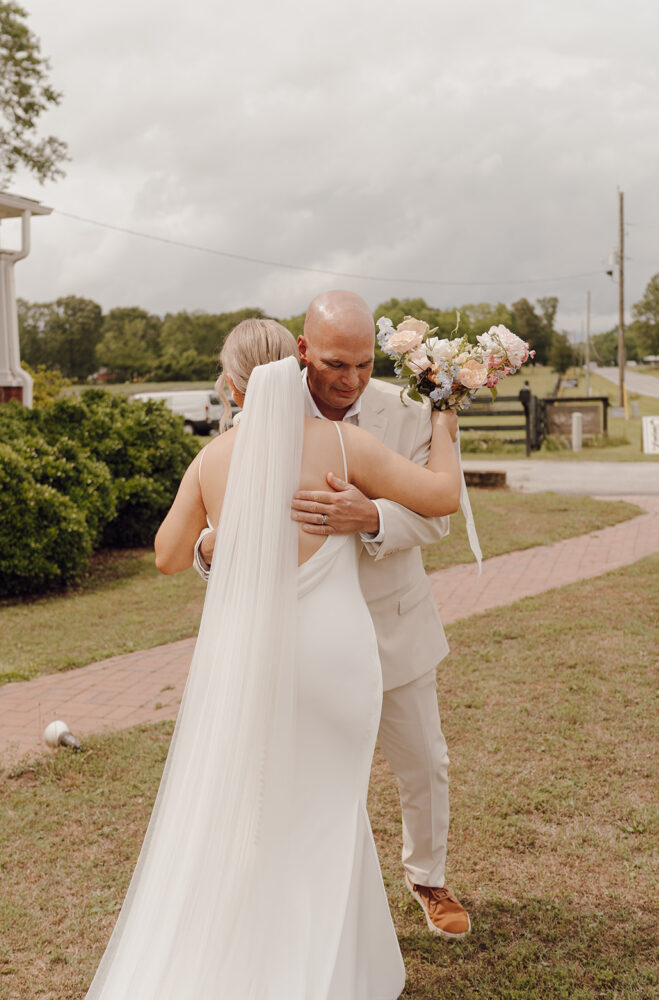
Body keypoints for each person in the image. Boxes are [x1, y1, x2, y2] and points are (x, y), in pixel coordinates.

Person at [84, 318, 460, 999]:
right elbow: (440, 496)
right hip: (335, 663)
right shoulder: (342, 446)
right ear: (300, 364)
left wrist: (213, 541)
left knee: (260, 809)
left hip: (251, 664)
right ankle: (328, 969)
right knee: (328, 810)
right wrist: (444, 419)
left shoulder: (212, 460)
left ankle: (268, 960)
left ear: (230, 385)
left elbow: (169, 557)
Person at [199, 294, 472, 939]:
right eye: (333, 363)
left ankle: (428, 879)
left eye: (364, 363)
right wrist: (210, 553)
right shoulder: (263, 405)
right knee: (301, 775)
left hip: (391, 621)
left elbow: (437, 515)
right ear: (301, 351)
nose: (350, 379)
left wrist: (371, 517)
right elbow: (219, 514)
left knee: (424, 762)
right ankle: (315, 904)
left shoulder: (407, 412)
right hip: (301, 639)